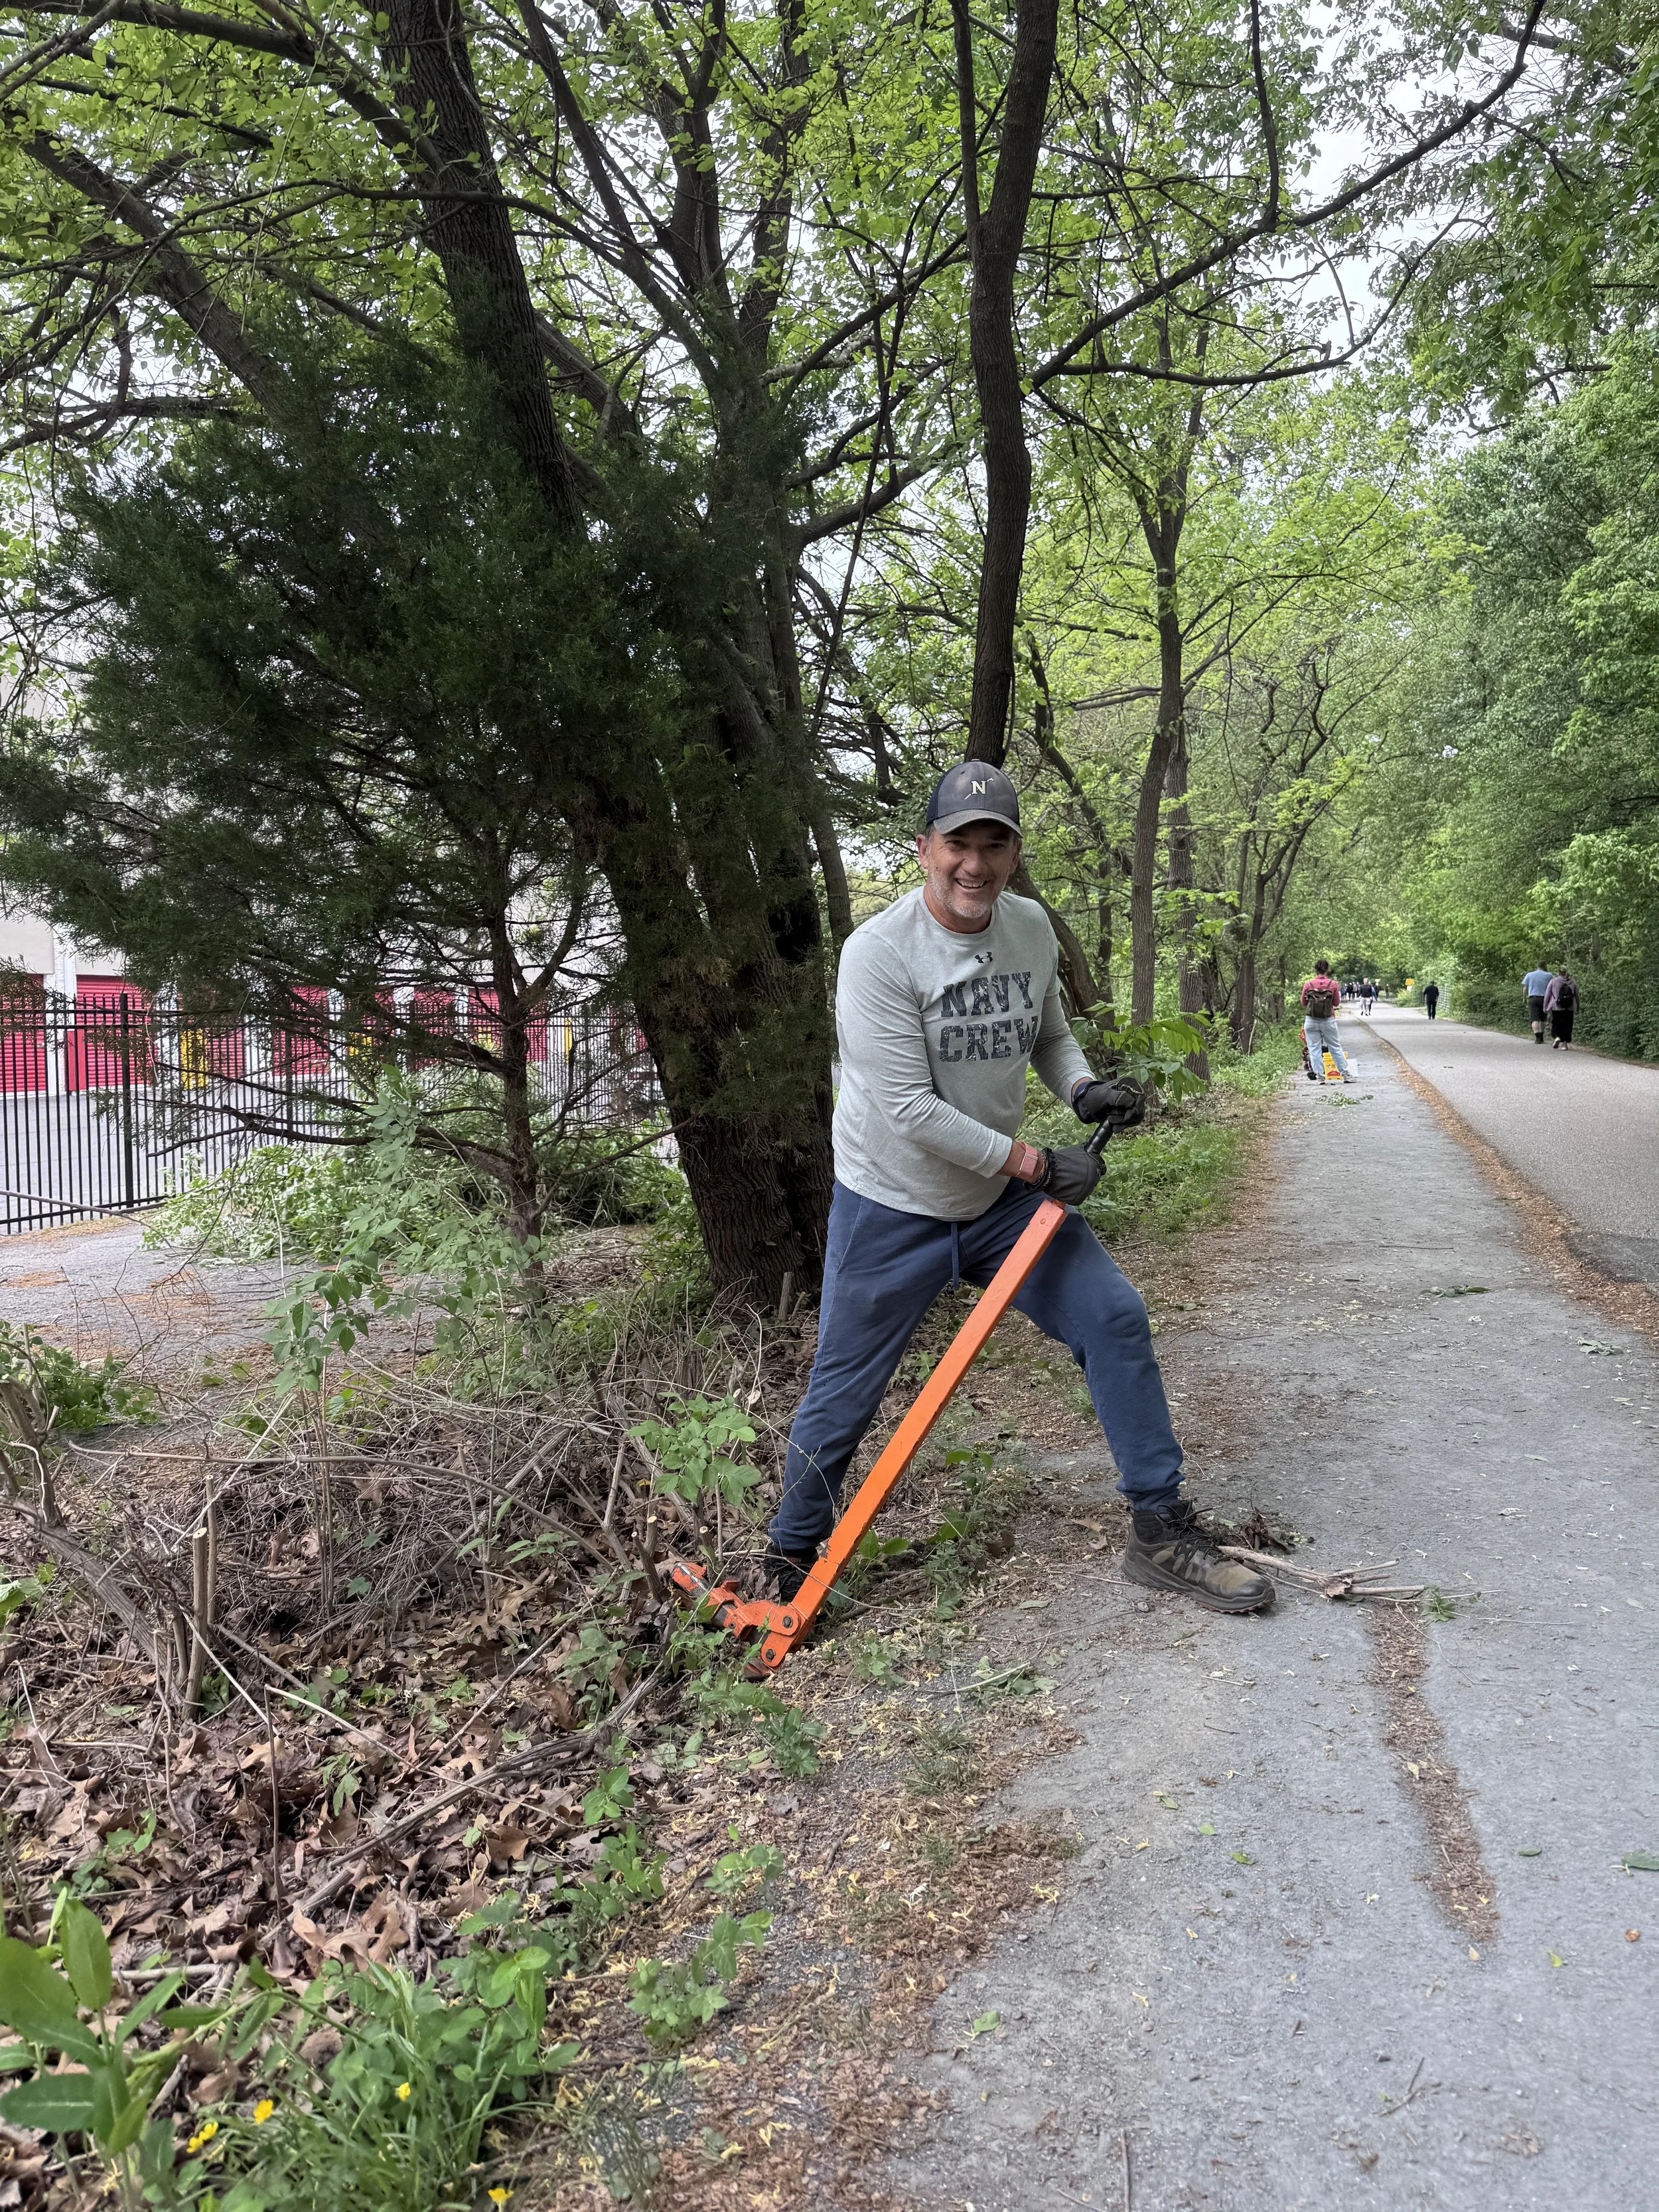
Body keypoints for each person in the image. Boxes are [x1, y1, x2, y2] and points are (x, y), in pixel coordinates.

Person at [765, 762, 1272, 1617]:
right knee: (844, 1389)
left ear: (1013, 852)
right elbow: (907, 1110)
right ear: (924, 849)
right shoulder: (878, 954)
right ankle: (787, 1560)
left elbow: (1049, 1031)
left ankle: (1158, 1530)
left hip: (995, 1205)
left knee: (1112, 1317)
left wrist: (1080, 1091)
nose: (975, 863)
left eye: (993, 844)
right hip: (892, 1203)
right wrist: (1038, 1164)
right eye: (958, 844)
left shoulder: (1030, 926)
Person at [1299, 959, 1354, 1083]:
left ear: (1315, 970)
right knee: (1335, 1047)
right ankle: (1345, 1075)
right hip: (1328, 1020)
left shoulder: (1308, 984)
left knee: (1314, 1049)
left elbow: (1303, 1003)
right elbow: (1336, 1003)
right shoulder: (1333, 984)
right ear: (1327, 970)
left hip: (1311, 1020)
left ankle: (1320, 1077)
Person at [1545, 968, 1578, 1048]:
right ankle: (1564, 1045)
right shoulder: (1573, 983)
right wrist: (1577, 1008)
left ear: (1558, 973)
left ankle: (1557, 1037)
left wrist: (1545, 1007)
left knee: (1556, 1023)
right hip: (1569, 1007)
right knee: (1567, 1025)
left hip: (1557, 1007)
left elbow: (1548, 994)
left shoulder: (1554, 981)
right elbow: (1577, 996)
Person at [1522, 962, 1552, 1044]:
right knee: (1543, 1018)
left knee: (1534, 1018)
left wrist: (1524, 998)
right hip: (1544, 999)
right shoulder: (1549, 975)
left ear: (1537, 967)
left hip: (1533, 998)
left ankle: (1537, 1037)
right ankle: (1542, 1036)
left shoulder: (1530, 975)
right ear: (1545, 967)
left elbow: (1525, 988)